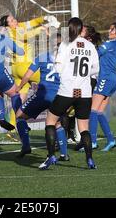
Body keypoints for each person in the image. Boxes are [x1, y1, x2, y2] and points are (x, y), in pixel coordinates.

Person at [39, 17, 100, 170]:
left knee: (50, 121)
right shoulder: (90, 46)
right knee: (84, 128)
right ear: (81, 30)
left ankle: (51, 155)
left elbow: (58, 68)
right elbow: (96, 69)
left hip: (67, 90)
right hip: (84, 92)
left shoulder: (65, 44)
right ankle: (90, 160)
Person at [14, 32, 65, 159]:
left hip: (43, 95)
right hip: (59, 95)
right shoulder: (66, 59)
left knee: (19, 116)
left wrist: (20, 87)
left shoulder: (42, 56)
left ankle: (26, 145)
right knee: (57, 123)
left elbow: (27, 75)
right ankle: (64, 154)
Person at [89, 23, 116, 152]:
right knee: (100, 112)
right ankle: (111, 140)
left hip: (105, 79)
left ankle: (93, 142)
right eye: (110, 28)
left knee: (92, 110)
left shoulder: (111, 43)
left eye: (112, 29)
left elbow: (96, 53)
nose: (109, 30)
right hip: (112, 80)